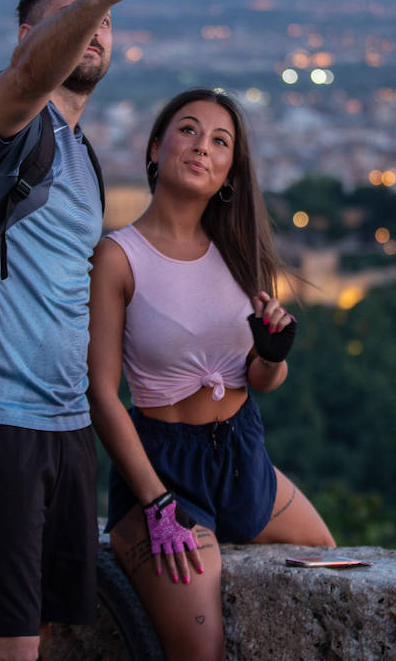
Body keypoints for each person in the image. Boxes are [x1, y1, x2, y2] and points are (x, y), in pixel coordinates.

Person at [0, 0, 180, 661]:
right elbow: (31, 77)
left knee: (40, 640)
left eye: (102, 22)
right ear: (26, 38)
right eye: (69, 17)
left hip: (63, 428)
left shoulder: (81, 155)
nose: (95, 29)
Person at [88, 88, 336, 661]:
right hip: (164, 469)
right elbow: (101, 395)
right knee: (201, 653)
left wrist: (272, 353)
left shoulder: (240, 252)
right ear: (156, 148)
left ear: (229, 172)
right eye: (189, 131)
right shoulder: (118, 257)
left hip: (245, 457)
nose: (203, 146)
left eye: (220, 141)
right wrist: (155, 503)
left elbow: (263, 381)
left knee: (333, 565)